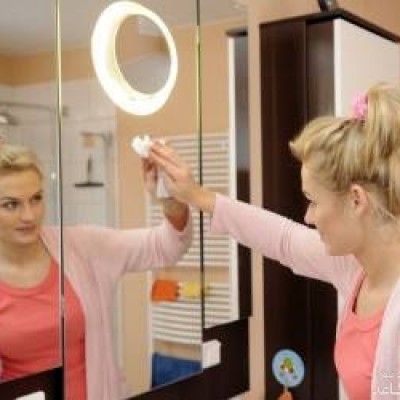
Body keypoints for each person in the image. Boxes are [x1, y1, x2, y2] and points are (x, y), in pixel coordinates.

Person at [149, 82, 400, 400]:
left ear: (356, 200)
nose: (308, 216)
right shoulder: (356, 270)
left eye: (313, 201)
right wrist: (197, 195)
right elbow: (282, 238)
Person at [0, 143, 191, 400]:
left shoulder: (80, 246)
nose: (29, 215)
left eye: (36, 199)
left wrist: (171, 202)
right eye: (11, 205)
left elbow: (166, 247)